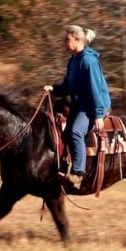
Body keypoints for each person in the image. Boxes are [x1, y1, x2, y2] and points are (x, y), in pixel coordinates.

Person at [44, 25, 112, 189]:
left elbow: (94, 89)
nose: (63, 43)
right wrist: (54, 89)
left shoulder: (88, 61)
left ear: (78, 40)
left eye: (67, 40)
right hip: (79, 104)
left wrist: (97, 115)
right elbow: (68, 85)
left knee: (76, 131)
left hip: (93, 106)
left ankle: (78, 173)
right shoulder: (73, 60)